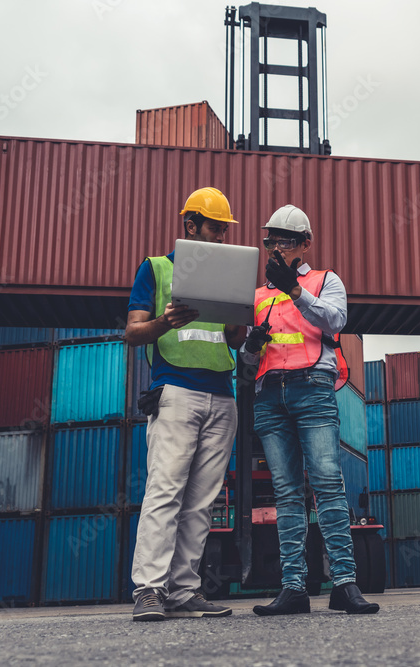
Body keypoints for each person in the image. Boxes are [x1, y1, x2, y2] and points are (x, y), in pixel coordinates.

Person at [240, 204, 380, 616]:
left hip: (313, 390)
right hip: (269, 395)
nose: (275, 247)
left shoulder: (325, 280)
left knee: (326, 484)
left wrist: (297, 291)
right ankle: (294, 588)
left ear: (304, 244)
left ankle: (344, 584)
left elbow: (335, 321)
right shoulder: (257, 296)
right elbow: (248, 361)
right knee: (286, 494)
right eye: (270, 240)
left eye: (283, 240)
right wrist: (249, 348)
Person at [124, 187, 247, 621]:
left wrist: (240, 319)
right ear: (190, 226)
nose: (219, 237)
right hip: (175, 391)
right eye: (214, 228)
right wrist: (163, 321)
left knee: (201, 502)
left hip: (222, 395)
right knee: (165, 491)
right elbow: (133, 333)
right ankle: (150, 589)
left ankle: (184, 590)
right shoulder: (156, 269)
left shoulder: (232, 275)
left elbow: (233, 340)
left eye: (223, 230)